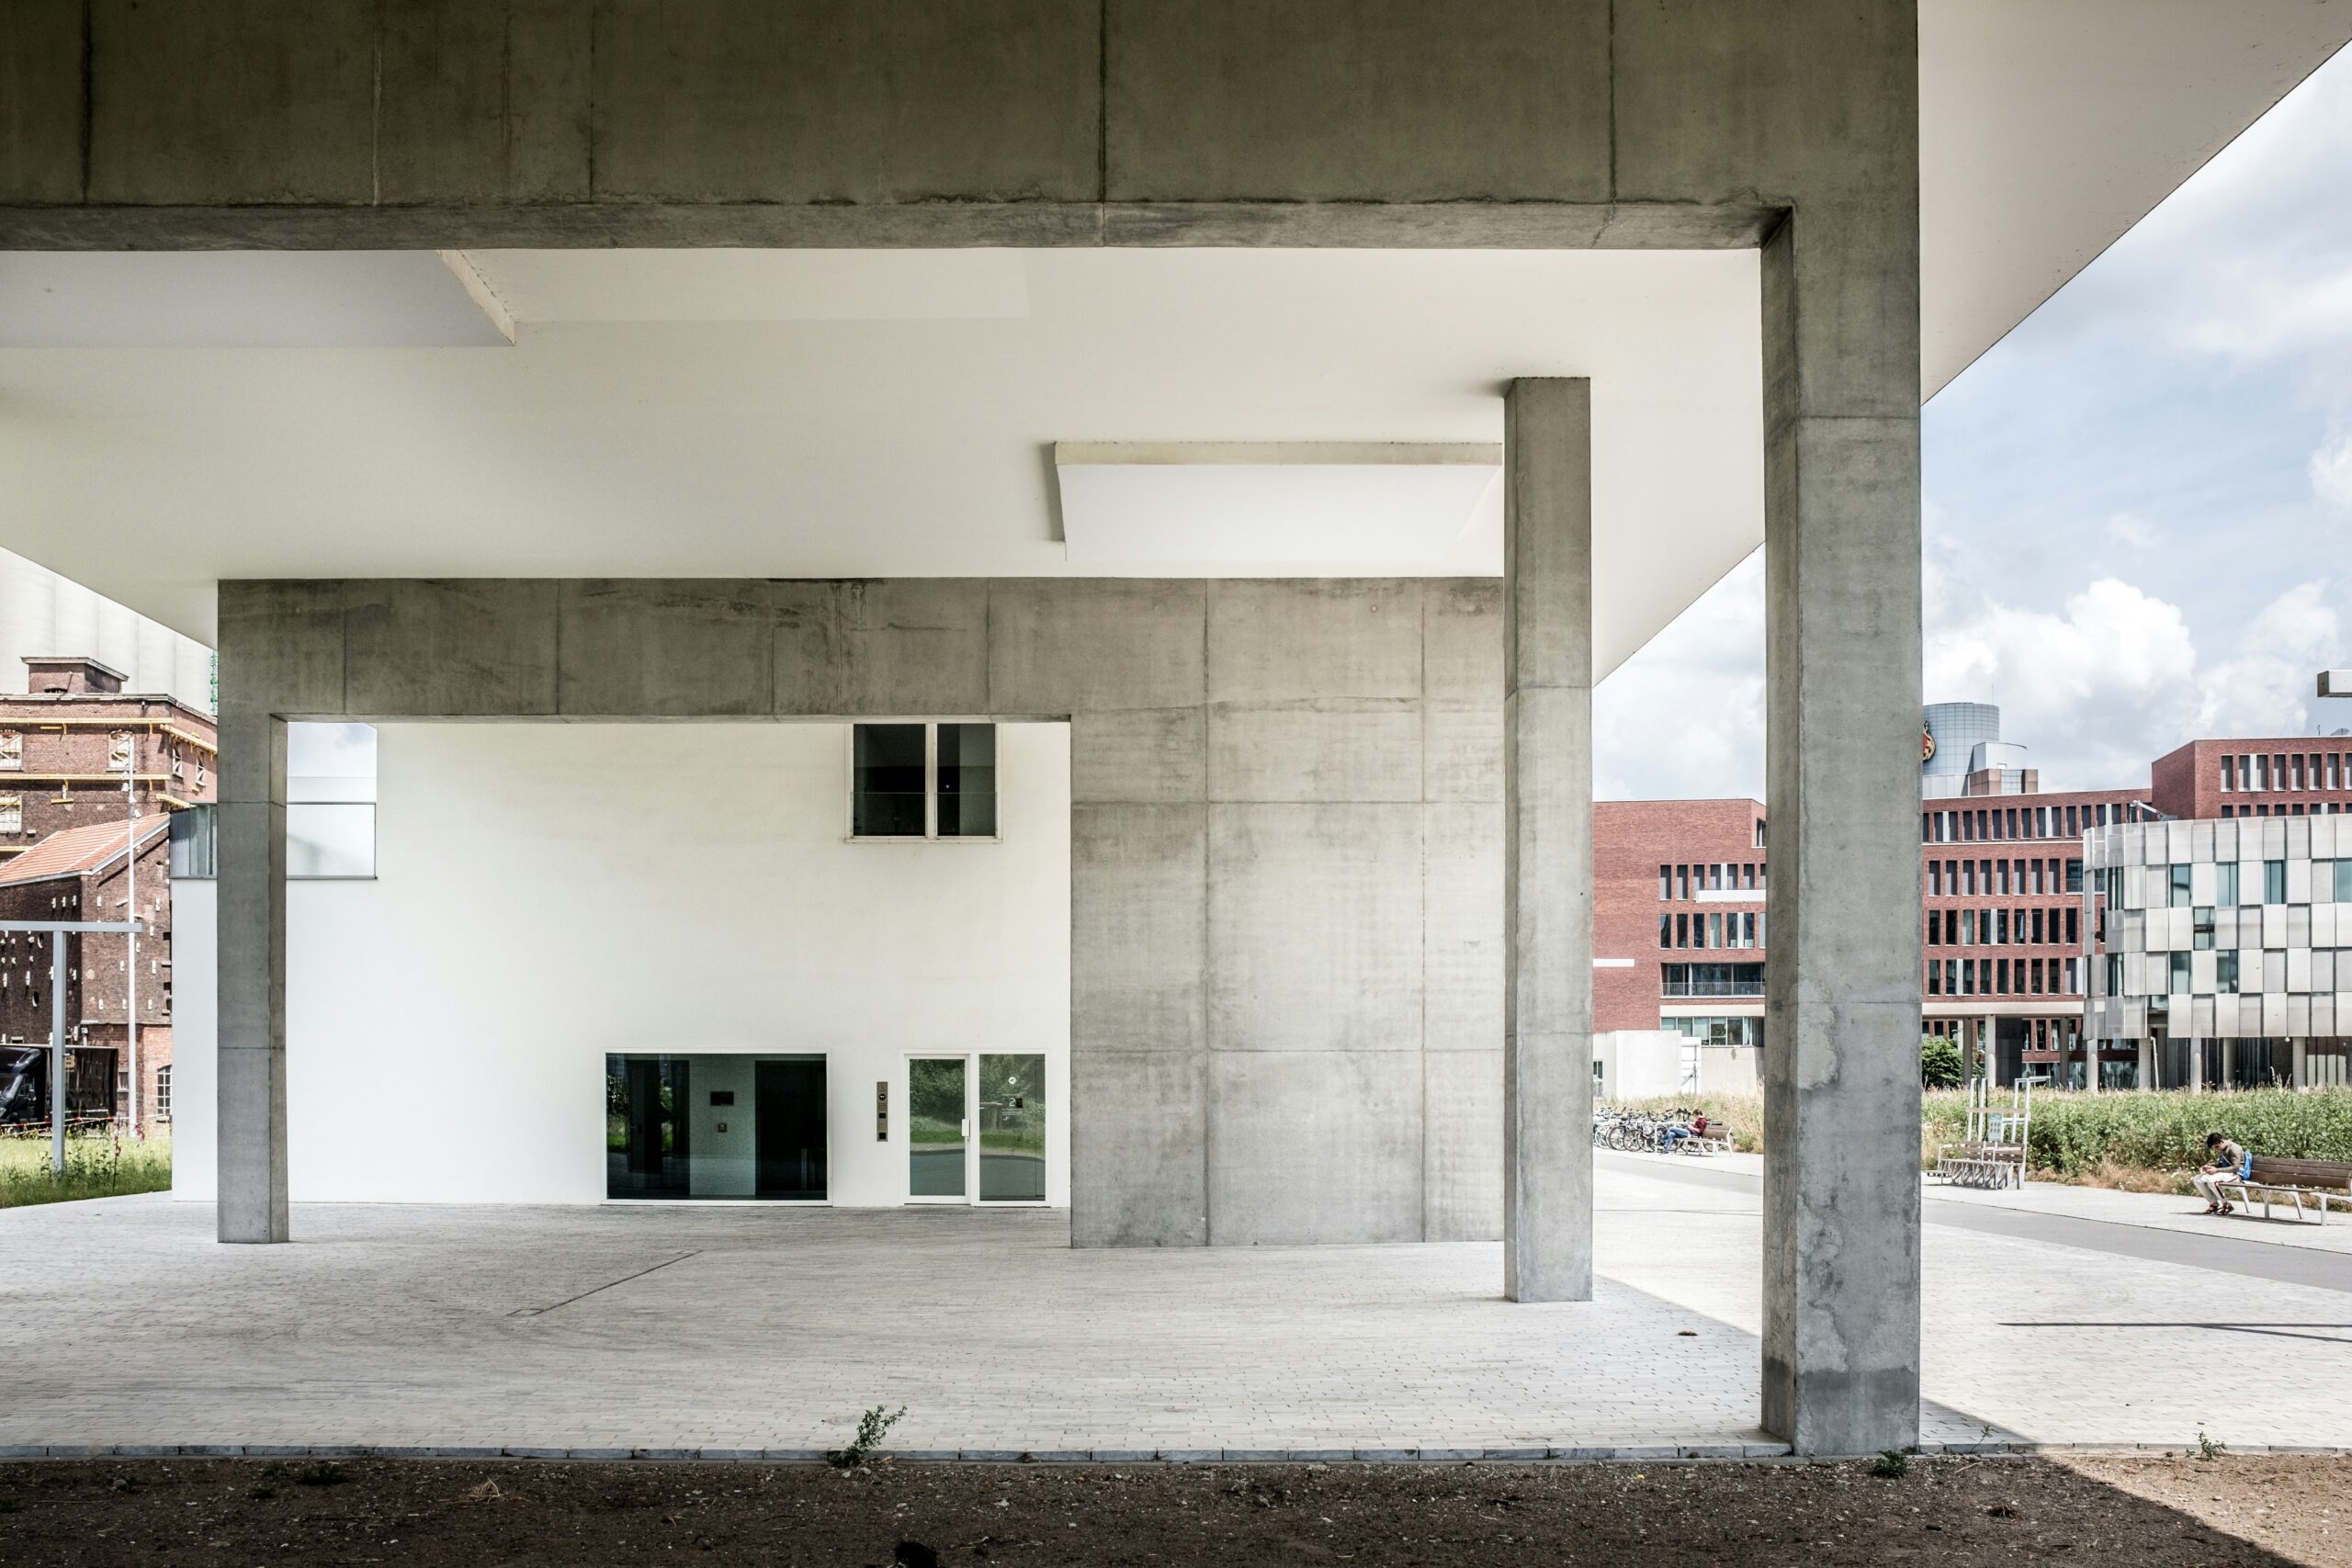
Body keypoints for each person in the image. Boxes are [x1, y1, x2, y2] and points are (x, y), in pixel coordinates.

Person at [2193, 1131, 2252, 1215]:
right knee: (2198, 1179)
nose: (2217, 1149)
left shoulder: (2234, 1149)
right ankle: (2214, 1204)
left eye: (2217, 1147)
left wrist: (2216, 1171)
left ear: (2222, 1141)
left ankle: (2226, 1204)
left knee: (2211, 1179)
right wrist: (2209, 1167)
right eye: (2215, 1148)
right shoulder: (2223, 1147)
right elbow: (2221, 1165)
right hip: (2226, 1174)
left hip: (2236, 1176)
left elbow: (2235, 1168)